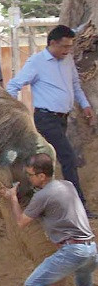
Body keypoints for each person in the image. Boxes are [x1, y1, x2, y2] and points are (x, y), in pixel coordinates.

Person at [7, 25, 97, 217]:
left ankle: (43, 203)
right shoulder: (37, 62)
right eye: (64, 46)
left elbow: (75, 85)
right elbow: (14, 85)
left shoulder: (68, 60)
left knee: (48, 162)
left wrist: (85, 105)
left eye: (70, 46)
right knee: (68, 157)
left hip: (63, 118)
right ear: (52, 43)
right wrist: (12, 111)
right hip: (46, 117)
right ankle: (78, 205)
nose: (67, 50)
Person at [0, 153, 97, 286]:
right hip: (90, 250)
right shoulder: (67, 185)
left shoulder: (42, 196)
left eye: (31, 175)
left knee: (33, 285)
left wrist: (13, 198)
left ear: (42, 176)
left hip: (72, 251)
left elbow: (21, 222)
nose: (29, 178)